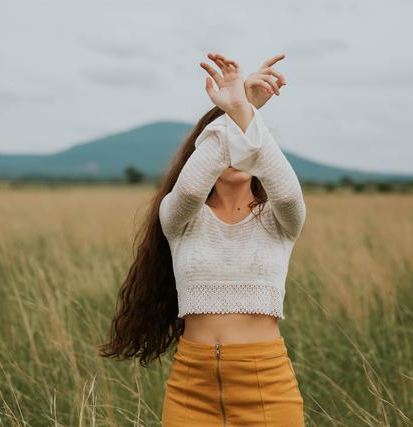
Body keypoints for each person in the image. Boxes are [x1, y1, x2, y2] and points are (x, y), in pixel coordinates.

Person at [99, 52, 306, 427]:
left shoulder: (280, 218)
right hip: (191, 385)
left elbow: (290, 194)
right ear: (206, 148)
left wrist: (245, 110)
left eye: (246, 141)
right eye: (225, 142)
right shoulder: (179, 217)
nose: (235, 151)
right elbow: (193, 186)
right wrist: (238, 113)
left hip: (265, 382)